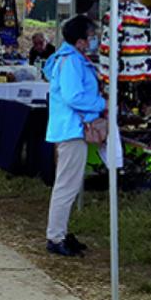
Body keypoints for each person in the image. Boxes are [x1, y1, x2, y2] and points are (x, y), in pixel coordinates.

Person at [42, 16, 106, 257]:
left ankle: (60, 231)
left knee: (69, 183)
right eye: (91, 36)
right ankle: (55, 236)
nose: (93, 41)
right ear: (80, 40)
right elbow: (73, 97)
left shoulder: (73, 59)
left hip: (71, 128)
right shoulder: (70, 62)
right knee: (66, 185)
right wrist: (101, 103)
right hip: (71, 129)